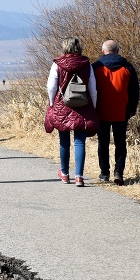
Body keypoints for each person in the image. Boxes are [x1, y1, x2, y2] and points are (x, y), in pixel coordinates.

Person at [44, 37, 99, 186]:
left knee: (64, 140)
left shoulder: (57, 64)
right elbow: (93, 88)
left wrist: (51, 103)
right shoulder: (86, 64)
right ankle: (79, 176)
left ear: (64, 48)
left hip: (62, 105)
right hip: (83, 105)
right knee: (80, 141)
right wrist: (93, 107)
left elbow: (51, 87)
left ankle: (65, 173)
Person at [92, 39, 140, 185]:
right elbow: (135, 91)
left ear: (103, 51)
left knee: (103, 142)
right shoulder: (128, 67)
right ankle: (118, 172)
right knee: (120, 143)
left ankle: (104, 173)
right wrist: (132, 109)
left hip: (101, 111)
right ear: (118, 51)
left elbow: (90, 90)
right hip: (121, 111)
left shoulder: (96, 67)